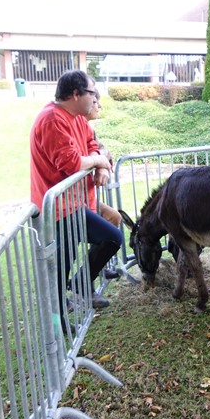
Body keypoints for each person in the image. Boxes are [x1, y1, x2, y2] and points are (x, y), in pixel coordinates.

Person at [30, 70, 122, 315]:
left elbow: (93, 146)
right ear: (75, 94)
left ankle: (75, 291)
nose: (95, 99)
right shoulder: (52, 119)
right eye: (91, 93)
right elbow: (71, 163)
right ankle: (61, 315)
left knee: (73, 255)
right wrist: (98, 162)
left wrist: (100, 165)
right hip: (58, 208)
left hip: (75, 203)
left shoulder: (78, 119)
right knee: (107, 239)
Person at [85, 89, 121, 279]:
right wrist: (99, 162)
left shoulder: (88, 129)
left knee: (114, 218)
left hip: (86, 199)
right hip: (71, 203)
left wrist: (103, 167)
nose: (99, 106)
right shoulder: (76, 124)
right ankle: (83, 282)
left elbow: (104, 151)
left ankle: (95, 268)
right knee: (111, 232)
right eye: (96, 101)